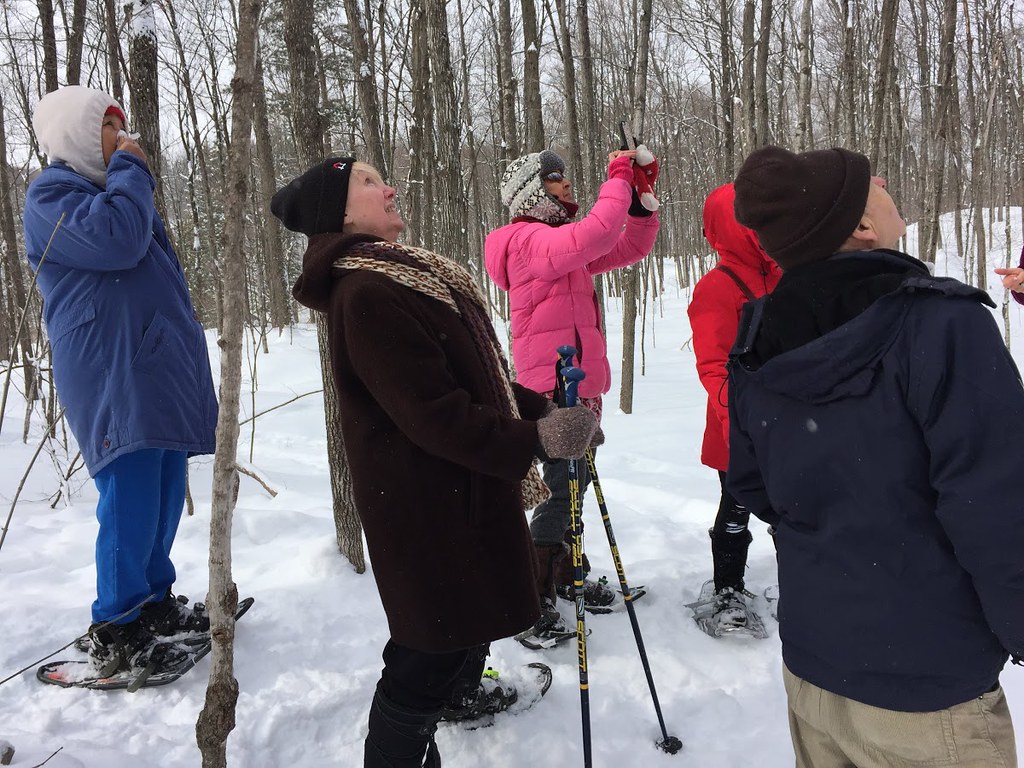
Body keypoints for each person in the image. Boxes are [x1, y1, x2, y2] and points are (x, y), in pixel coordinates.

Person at [273, 157, 598, 767]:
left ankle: (458, 696)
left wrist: (546, 410)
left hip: (455, 493)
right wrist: (537, 439)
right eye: (368, 182)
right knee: (427, 657)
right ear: (340, 213)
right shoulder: (367, 292)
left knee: (457, 630)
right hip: (426, 506)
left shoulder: (400, 277)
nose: (389, 187)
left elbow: (479, 379)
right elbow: (434, 413)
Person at [727, 145, 1022, 767]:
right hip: (928, 689)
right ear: (862, 226)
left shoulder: (759, 334)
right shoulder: (942, 323)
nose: (885, 182)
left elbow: (753, 486)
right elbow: (998, 505)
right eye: (873, 183)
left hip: (815, 667)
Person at [22, 85, 218, 676]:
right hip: (110, 370)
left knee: (162, 489)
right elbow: (119, 242)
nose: (124, 137)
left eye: (122, 125)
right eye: (109, 127)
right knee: (129, 495)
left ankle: (153, 601)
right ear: (77, 136)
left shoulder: (109, 194)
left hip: (150, 366)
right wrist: (132, 170)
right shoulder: (51, 195)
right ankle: (116, 622)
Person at [484, 147, 659, 639]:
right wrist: (618, 178)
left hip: (577, 384)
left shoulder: (559, 246)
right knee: (562, 488)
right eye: (554, 177)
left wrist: (640, 203)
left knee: (575, 486)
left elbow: (627, 247)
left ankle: (563, 572)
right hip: (553, 387)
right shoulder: (529, 240)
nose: (565, 183)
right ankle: (534, 596)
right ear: (531, 192)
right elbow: (598, 233)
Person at [686, 182, 780, 635]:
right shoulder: (717, 288)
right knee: (736, 505)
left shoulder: (787, 277)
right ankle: (727, 589)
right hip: (739, 426)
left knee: (792, 508)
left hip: (792, 423)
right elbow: (713, 366)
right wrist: (741, 425)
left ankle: (802, 582)